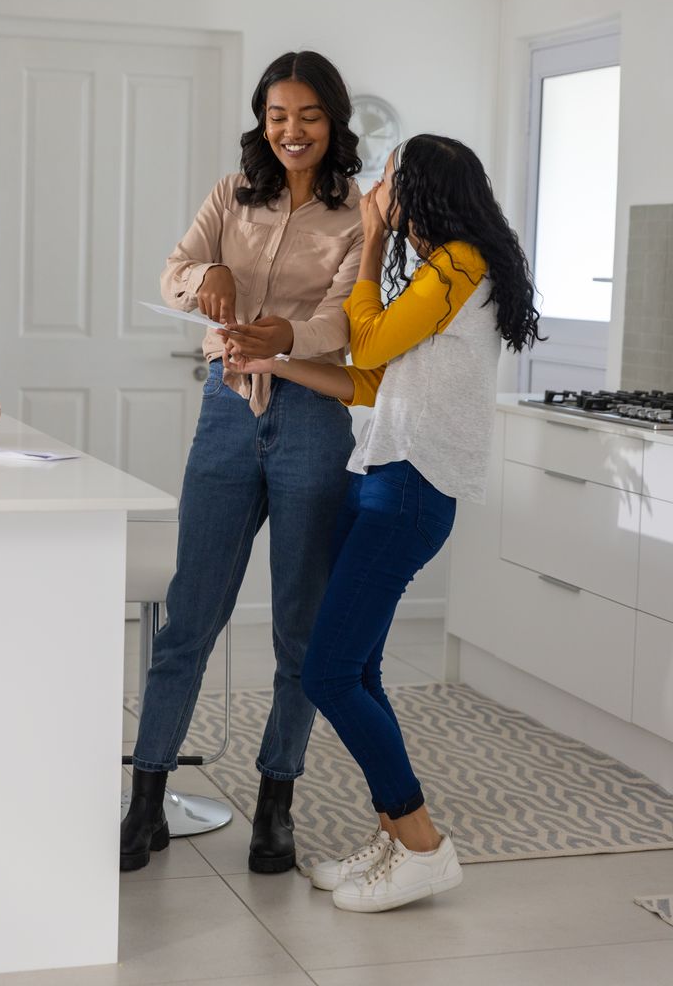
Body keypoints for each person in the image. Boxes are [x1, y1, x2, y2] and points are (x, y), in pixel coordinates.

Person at [224, 133, 541, 912]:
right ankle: (396, 837)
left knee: (328, 673)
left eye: (386, 182)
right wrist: (272, 363)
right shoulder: (442, 271)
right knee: (356, 669)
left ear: (418, 190)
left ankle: (423, 845)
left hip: (412, 489)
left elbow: (365, 338)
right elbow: (372, 380)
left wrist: (367, 241)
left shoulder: (459, 264)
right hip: (384, 478)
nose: (374, 193)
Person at [120, 51, 363, 874]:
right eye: (278, 115)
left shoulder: (358, 215)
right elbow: (173, 273)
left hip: (313, 419)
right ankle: (146, 801)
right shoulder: (232, 195)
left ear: (333, 121)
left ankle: (275, 806)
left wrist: (285, 334)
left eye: (309, 116)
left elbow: (343, 321)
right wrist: (210, 273)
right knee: (189, 617)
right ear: (263, 120)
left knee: (300, 629)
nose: (292, 130)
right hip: (227, 413)